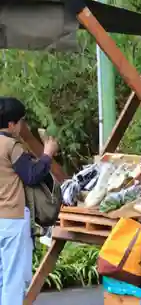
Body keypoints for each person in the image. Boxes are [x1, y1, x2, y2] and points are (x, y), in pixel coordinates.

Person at [0, 97, 58, 304]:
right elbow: (32, 175)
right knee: (14, 280)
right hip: (12, 219)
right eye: (21, 121)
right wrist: (48, 154)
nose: (23, 126)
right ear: (11, 124)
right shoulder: (10, 145)